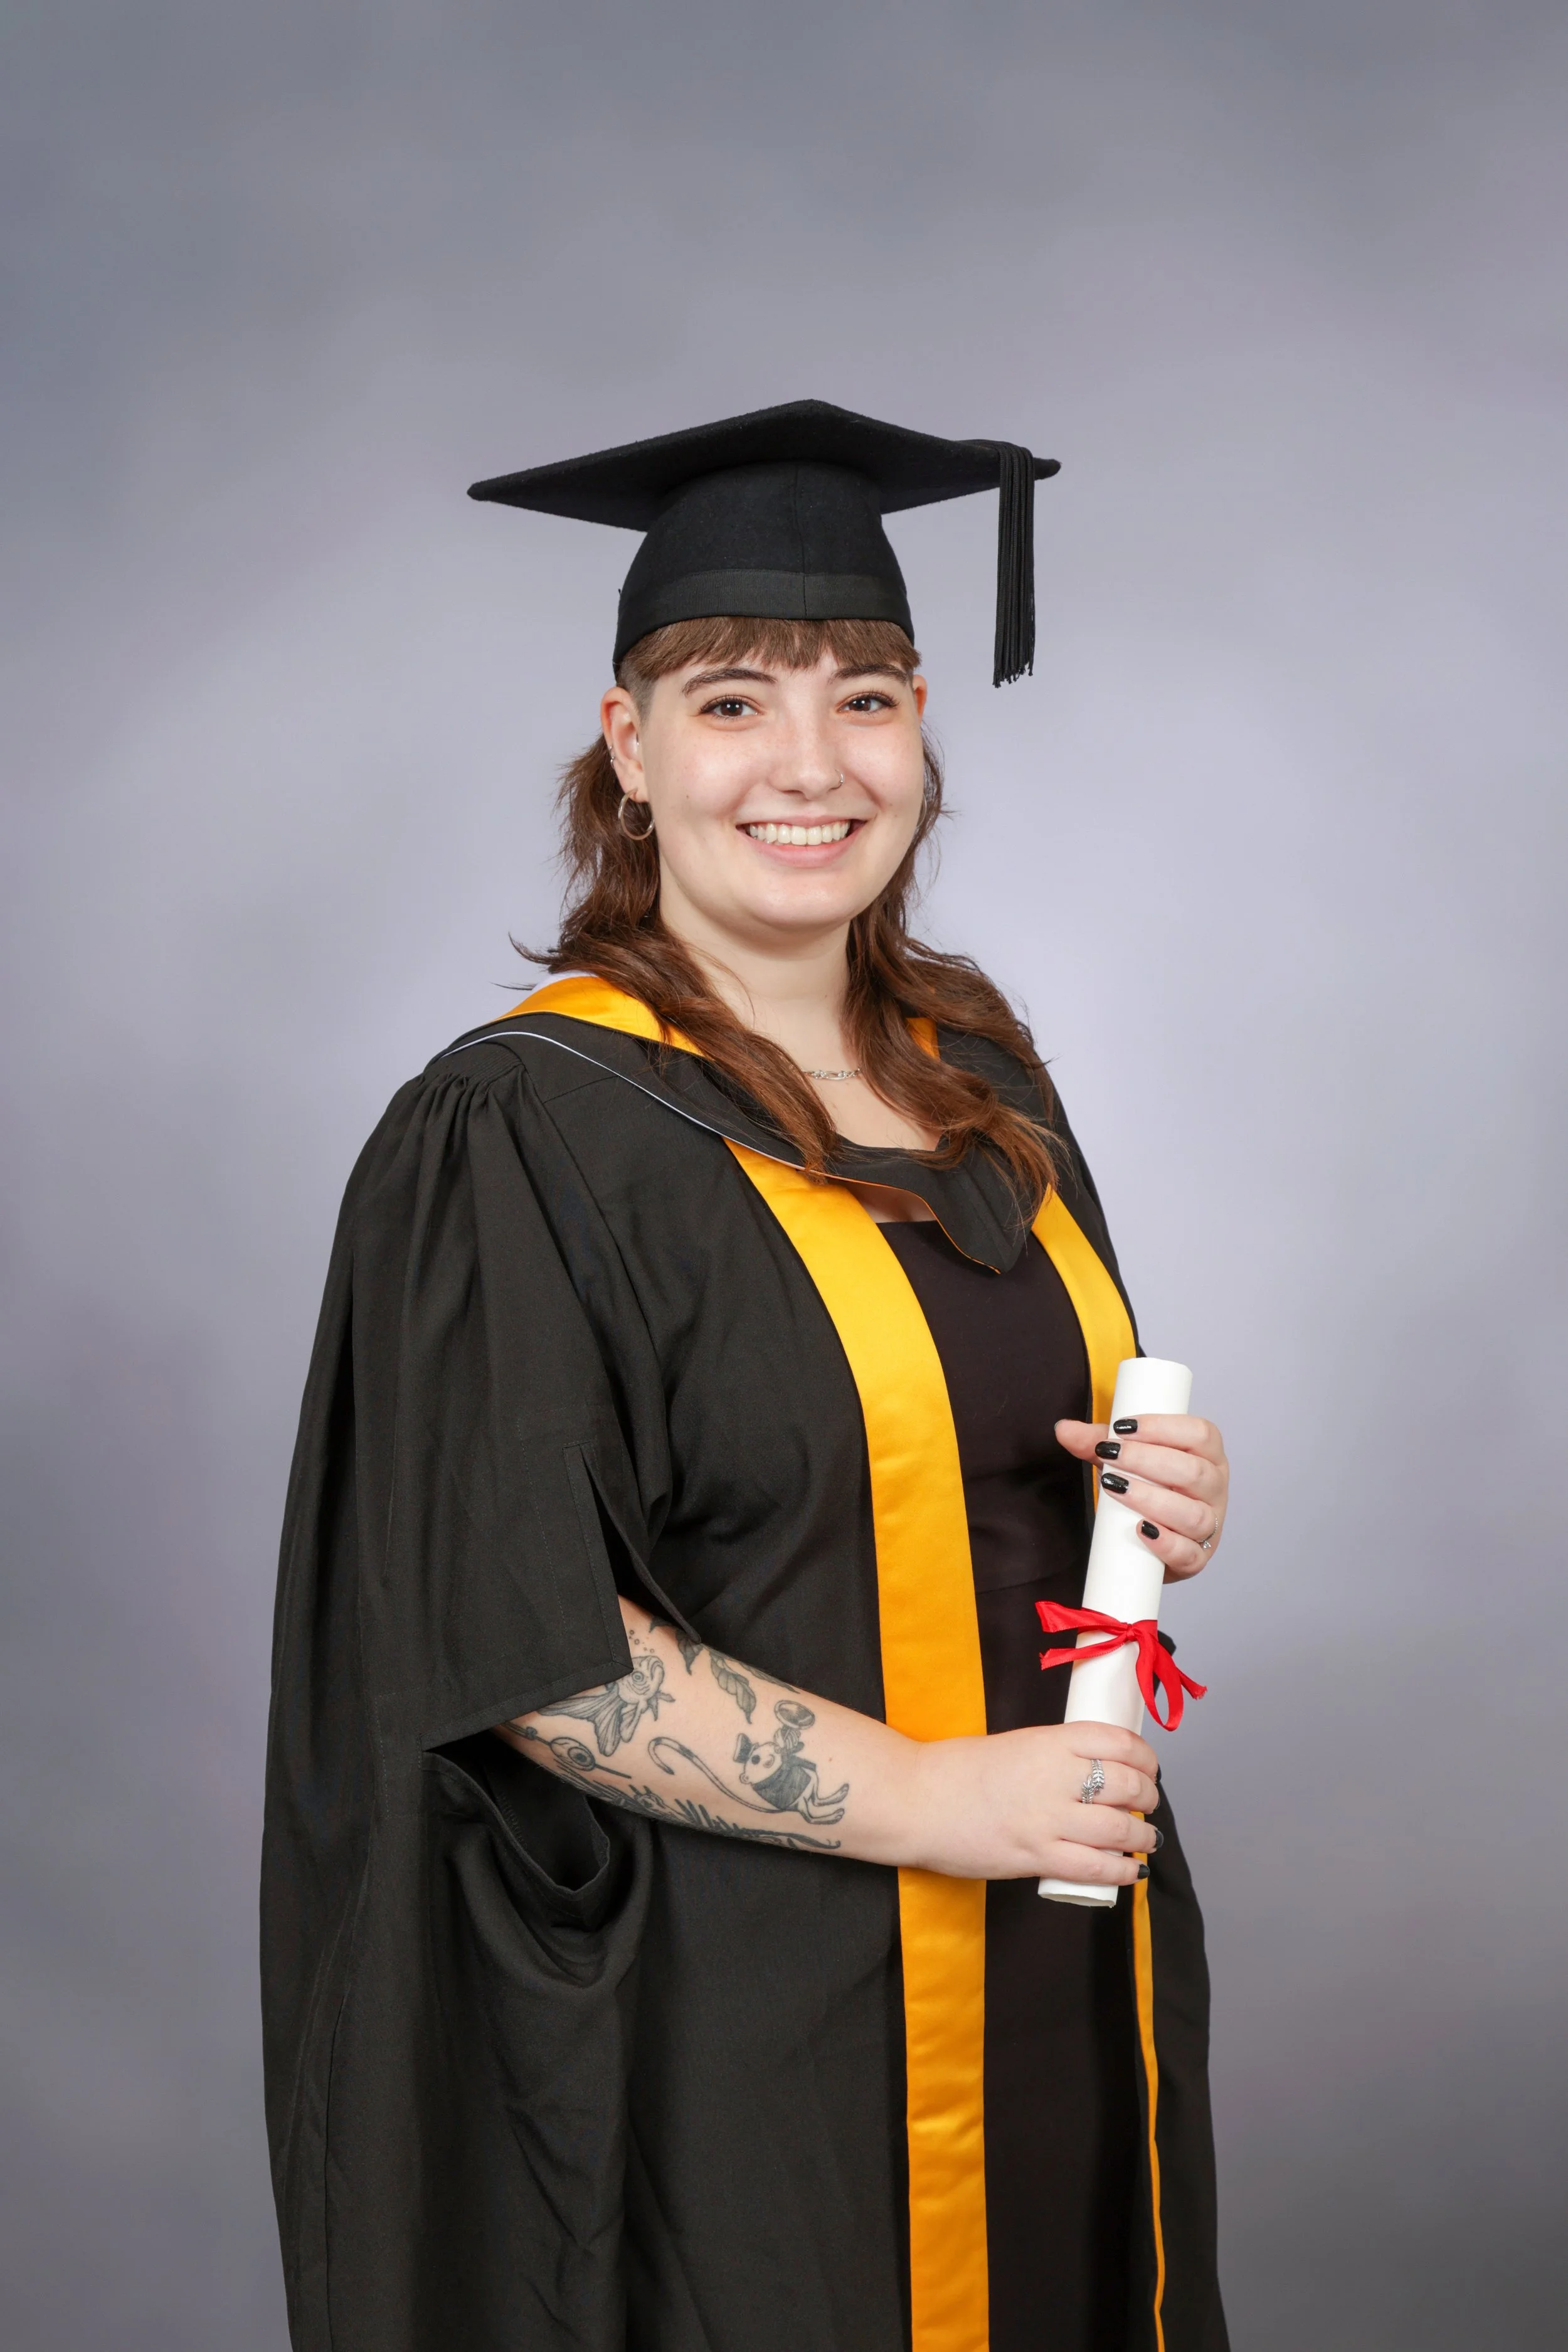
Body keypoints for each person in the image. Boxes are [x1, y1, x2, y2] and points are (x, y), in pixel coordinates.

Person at [262, 400, 1231, 2352]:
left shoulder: (985, 1083)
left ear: (922, 726)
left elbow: (989, 1470)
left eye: (863, 698)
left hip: (1059, 1952)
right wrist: (928, 1797)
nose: (811, 764)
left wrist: (1161, 1508)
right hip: (743, 2038)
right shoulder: (519, 1128)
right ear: (628, 748)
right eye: (731, 702)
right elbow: (514, 1645)